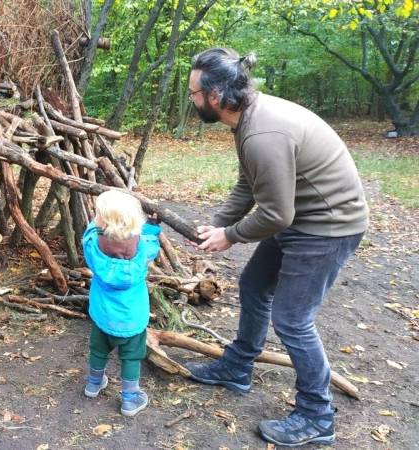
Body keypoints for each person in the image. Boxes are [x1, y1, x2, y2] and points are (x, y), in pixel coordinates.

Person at [184, 47, 369, 447]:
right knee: (254, 285)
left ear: (215, 95)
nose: (192, 99)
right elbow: (249, 186)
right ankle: (238, 366)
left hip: (327, 227)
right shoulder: (247, 121)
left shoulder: (263, 133)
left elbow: (276, 215)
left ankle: (317, 416)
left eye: (194, 92)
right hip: (301, 217)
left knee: (293, 319)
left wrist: (230, 236)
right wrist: (217, 222)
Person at [82, 190, 161, 417]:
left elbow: (90, 230)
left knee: (98, 349)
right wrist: (154, 226)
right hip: (132, 319)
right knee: (131, 358)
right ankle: (130, 399)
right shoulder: (142, 249)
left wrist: (103, 218)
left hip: (103, 315)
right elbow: (152, 242)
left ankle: (93, 384)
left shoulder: (92, 245)